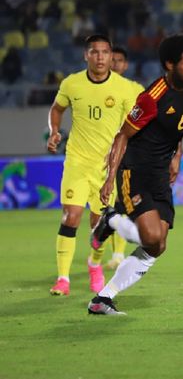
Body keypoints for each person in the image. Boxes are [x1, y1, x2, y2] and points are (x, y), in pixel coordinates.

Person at [87, 34, 183, 315]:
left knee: (157, 246)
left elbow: (179, 129)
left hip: (160, 174)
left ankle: (103, 298)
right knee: (151, 237)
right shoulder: (151, 98)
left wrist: (177, 156)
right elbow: (122, 136)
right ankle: (111, 219)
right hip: (134, 171)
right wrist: (109, 177)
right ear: (169, 64)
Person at [46, 35, 138, 296]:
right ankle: (63, 279)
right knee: (70, 216)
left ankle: (94, 264)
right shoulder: (72, 84)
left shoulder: (124, 88)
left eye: (105, 53)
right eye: (94, 52)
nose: (100, 57)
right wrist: (54, 131)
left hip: (107, 168)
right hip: (77, 162)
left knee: (100, 226)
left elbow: (134, 126)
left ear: (111, 57)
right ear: (86, 55)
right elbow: (56, 108)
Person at [102, 46, 145, 271]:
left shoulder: (136, 90)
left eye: (120, 60)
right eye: (113, 60)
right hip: (99, 154)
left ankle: (118, 254)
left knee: (119, 204)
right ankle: (99, 255)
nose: (116, 64)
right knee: (104, 206)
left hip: (126, 154)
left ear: (125, 65)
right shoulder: (97, 89)